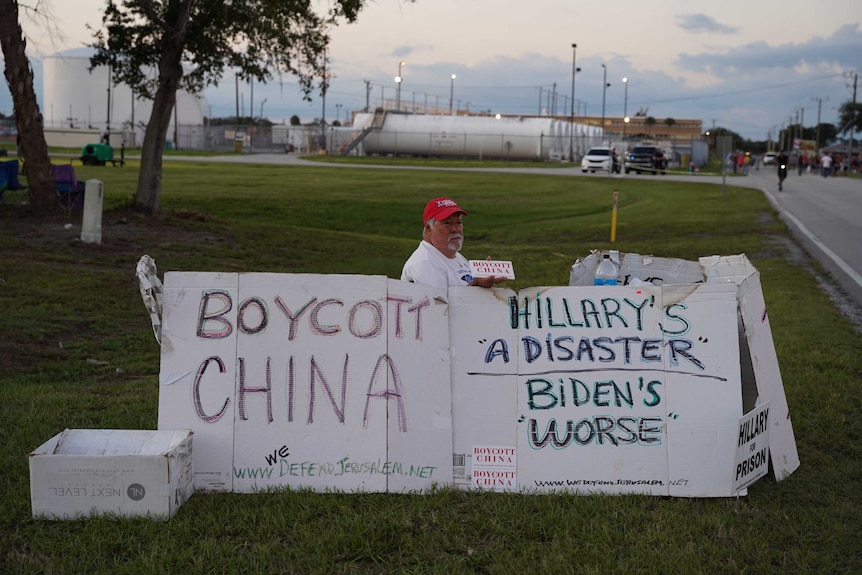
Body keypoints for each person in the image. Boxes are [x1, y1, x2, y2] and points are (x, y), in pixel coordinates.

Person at [401, 197, 508, 290]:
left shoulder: (454, 256)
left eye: (459, 222)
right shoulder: (424, 263)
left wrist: (483, 282)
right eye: (447, 223)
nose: (455, 229)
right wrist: (475, 285)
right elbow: (439, 308)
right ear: (429, 229)